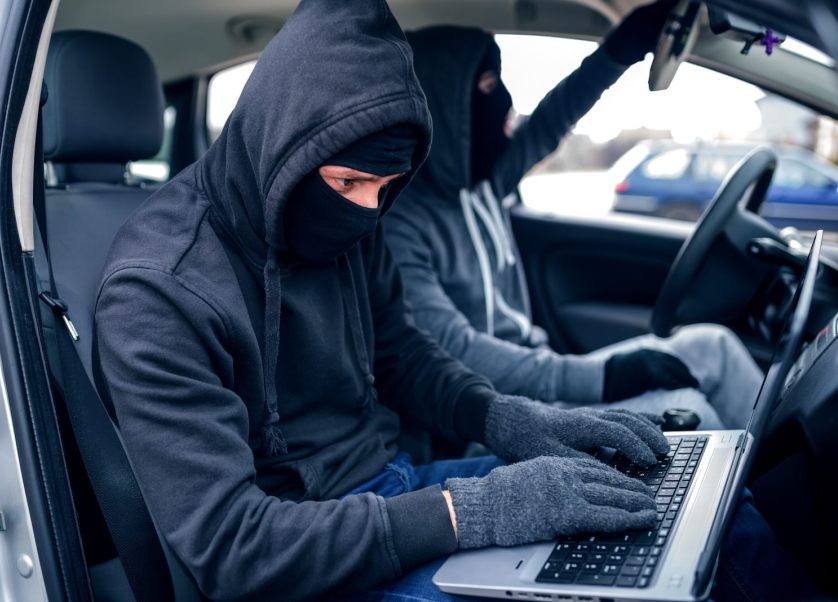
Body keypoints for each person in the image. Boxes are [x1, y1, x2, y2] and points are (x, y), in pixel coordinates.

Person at [92, 1, 671, 599]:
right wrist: (469, 512)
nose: (367, 210)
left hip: (395, 489)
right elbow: (233, 547)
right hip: (304, 551)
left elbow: (400, 353)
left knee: (646, 523)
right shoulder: (159, 289)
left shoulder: (347, 217)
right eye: (349, 182)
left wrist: (504, 418)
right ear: (283, 143)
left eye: (386, 187)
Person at [383, 4, 763, 430]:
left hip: (542, 379)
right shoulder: (399, 226)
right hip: (500, 414)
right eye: (489, 85)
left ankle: (792, 468)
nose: (505, 103)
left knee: (715, 345)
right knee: (689, 409)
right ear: (442, 105)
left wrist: (618, 52)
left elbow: (552, 120)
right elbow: (456, 351)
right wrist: (604, 376)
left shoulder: (484, 181)